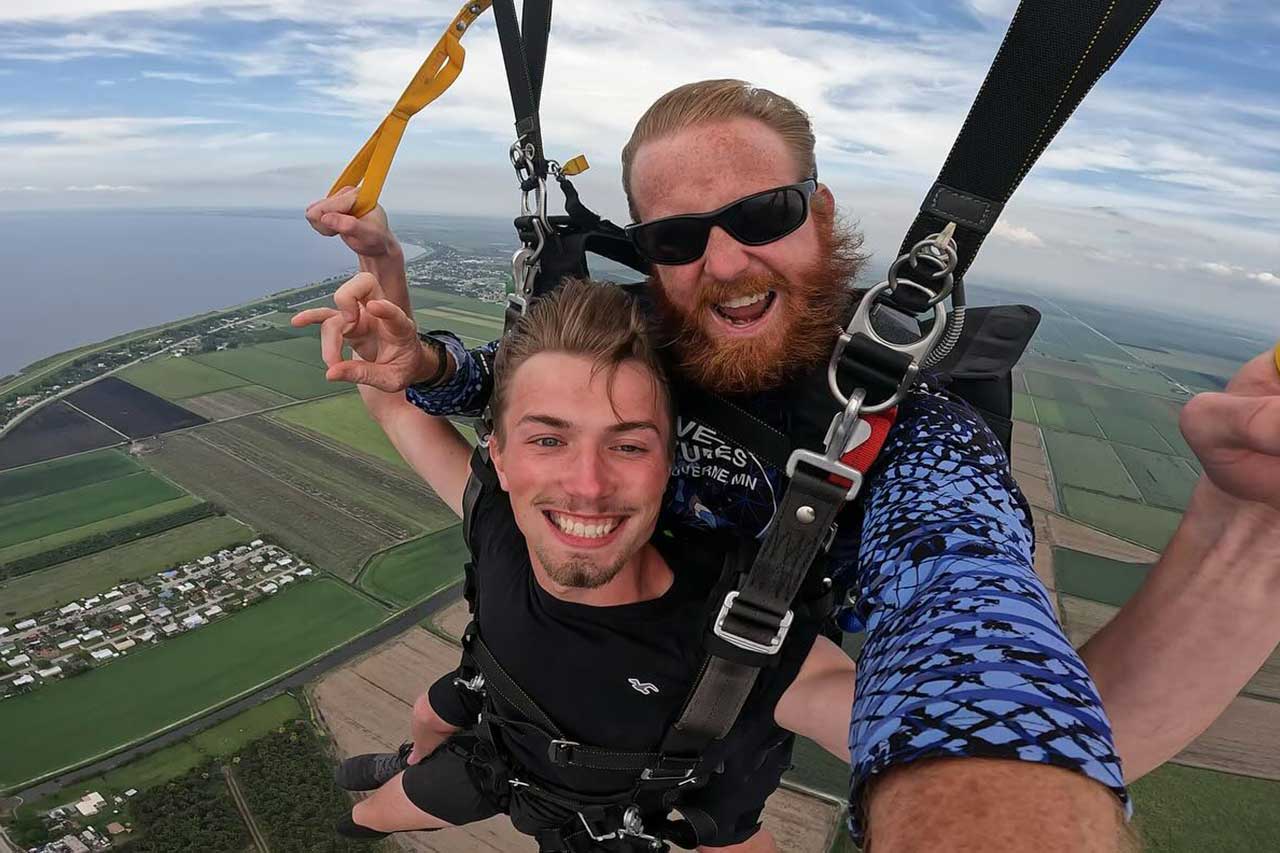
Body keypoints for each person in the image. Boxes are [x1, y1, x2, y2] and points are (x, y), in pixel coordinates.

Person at [301, 80, 1280, 848]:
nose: (722, 261)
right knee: (440, 721)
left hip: (682, 677)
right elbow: (511, 391)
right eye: (676, 238)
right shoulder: (643, 335)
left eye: (760, 213)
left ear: (816, 211)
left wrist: (1239, 539)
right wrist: (417, 360)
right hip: (539, 656)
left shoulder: (911, 436)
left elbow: (962, 605)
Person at [317, 278, 856, 851]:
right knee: (374, 806)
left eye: (627, 446)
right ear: (498, 457)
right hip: (494, 747)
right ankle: (411, 763)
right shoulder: (504, 526)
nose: (588, 486)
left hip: (598, 817)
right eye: (549, 441)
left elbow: (895, 722)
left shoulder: (741, 636)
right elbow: (392, 402)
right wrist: (381, 272)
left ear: (668, 464)